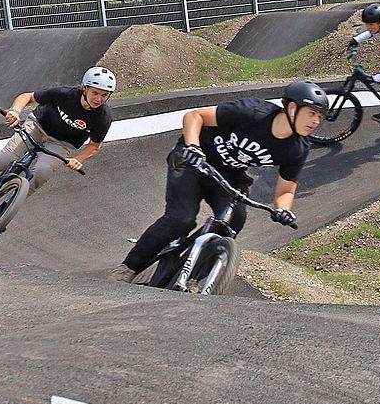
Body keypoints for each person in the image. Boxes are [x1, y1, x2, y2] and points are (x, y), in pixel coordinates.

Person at [110, 81, 327, 283]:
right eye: (311, 114)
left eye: (320, 116)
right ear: (291, 108)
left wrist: (283, 209)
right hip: (193, 159)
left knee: (235, 220)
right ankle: (128, 268)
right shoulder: (251, 112)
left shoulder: (297, 149)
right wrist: (193, 146)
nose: (316, 122)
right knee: (181, 218)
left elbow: (286, 189)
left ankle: (193, 276)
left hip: (230, 174)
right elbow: (194, 117)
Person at [0, 67, 116, 192]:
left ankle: (1, 209)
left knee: (41, 173)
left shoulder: (103, 117)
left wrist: (78, 159)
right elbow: (27, 97)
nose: (99, 99)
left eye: (104, 95)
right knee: (4, 159)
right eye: (95, 93)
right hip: (37, 126)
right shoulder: (65, 94)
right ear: (85, 88)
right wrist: (15, 111)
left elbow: (94, 145)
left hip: (61, 143)